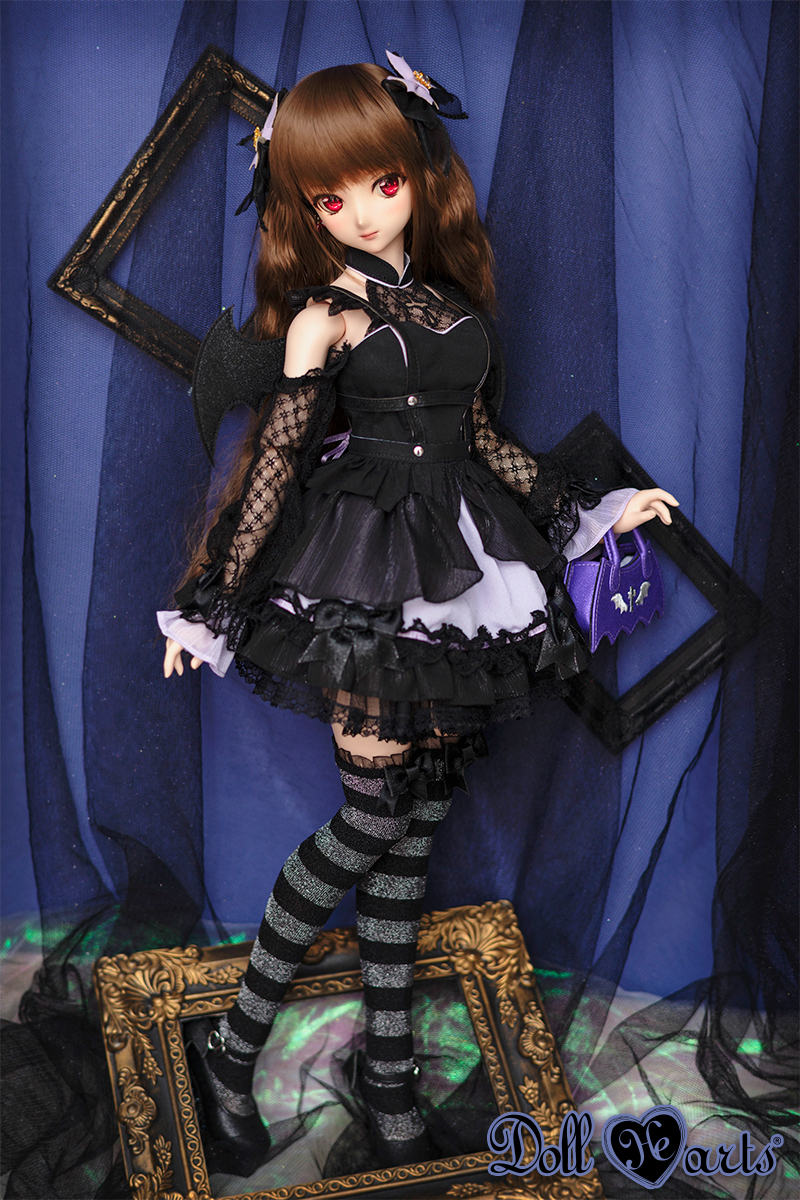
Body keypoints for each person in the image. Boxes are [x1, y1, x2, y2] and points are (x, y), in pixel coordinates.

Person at [159, 55, 677, 1177]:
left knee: (418, 825)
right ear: (302, 206)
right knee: (368, 822)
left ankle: (385, 1070)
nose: (358, 212)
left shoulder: (446, 304)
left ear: (417, 173)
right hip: (365, 568)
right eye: (327, 197)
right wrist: (209, 604)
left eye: (380, 184)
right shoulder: (323, 321)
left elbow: (482, 441)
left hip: (464, 563)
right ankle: (233, 1051)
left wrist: (590, 511)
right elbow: (277, 463)